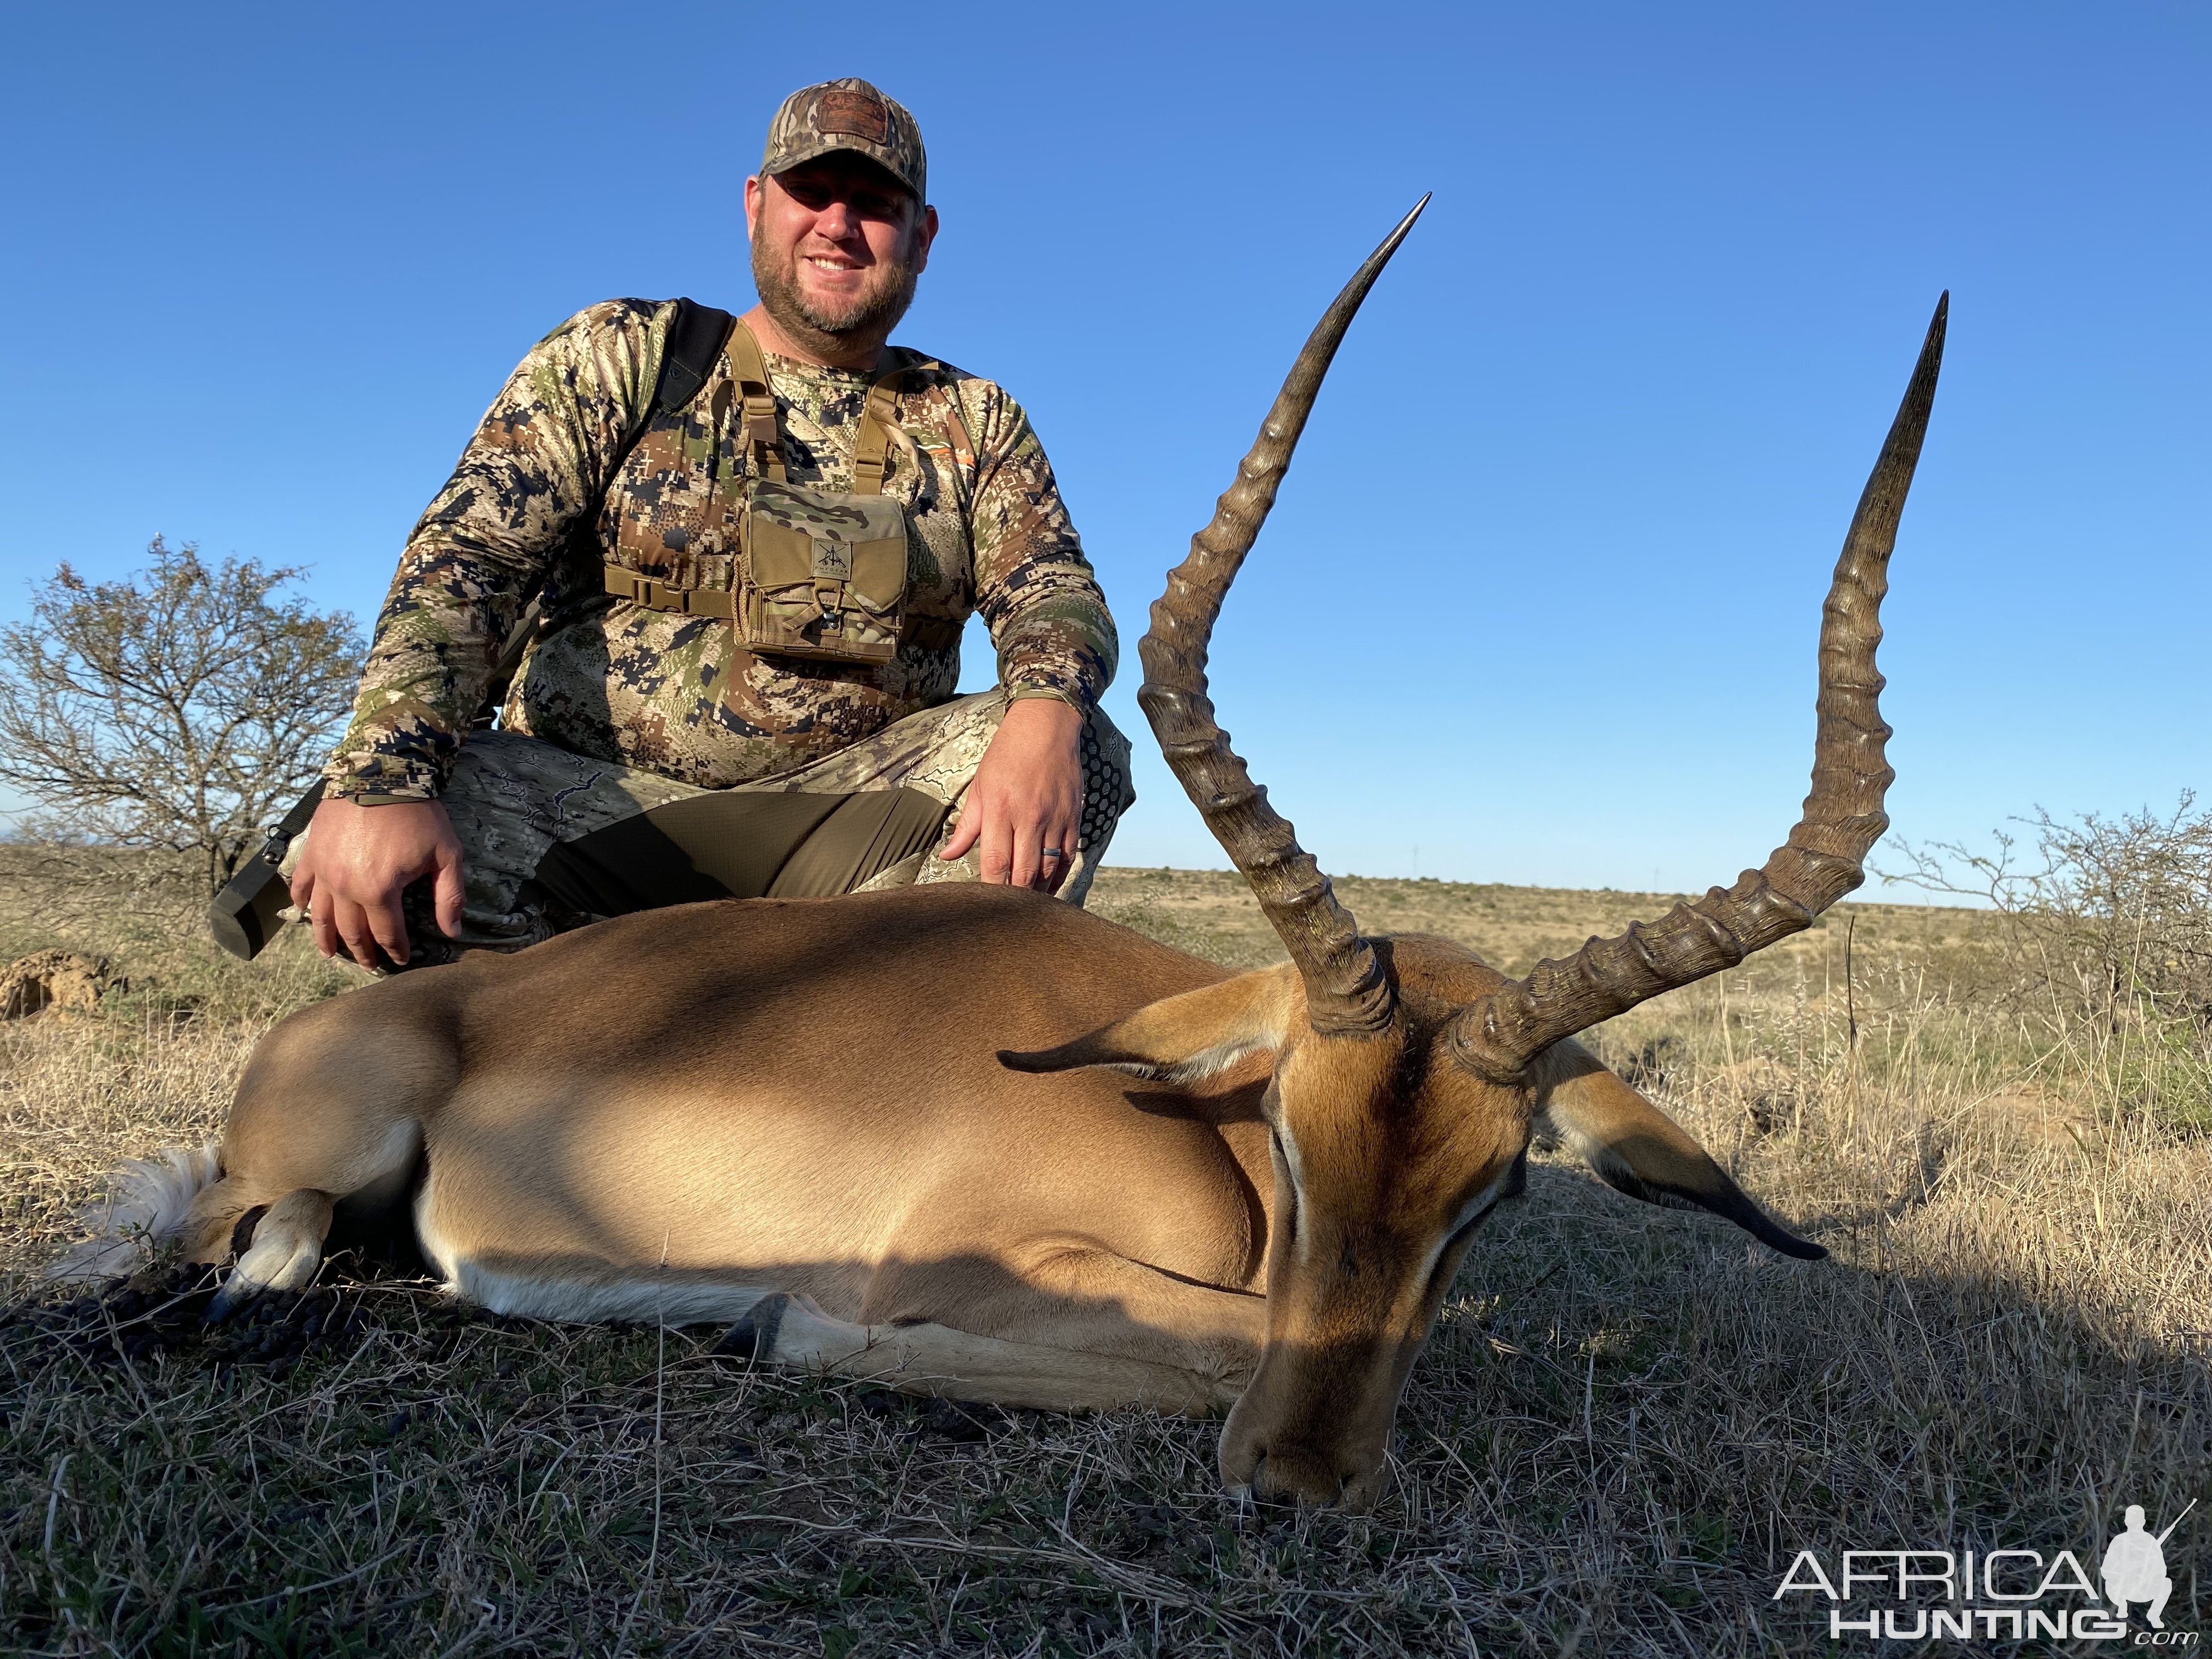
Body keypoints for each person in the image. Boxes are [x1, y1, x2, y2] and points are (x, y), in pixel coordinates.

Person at [289, 78, 1130, 972]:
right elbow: (471, 555)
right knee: (402, 796)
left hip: (848, 844)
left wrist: (1046, 713)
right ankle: (531, 1056)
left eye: (876, 204)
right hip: (589, 816)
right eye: (811, 192)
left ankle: (876, 1052)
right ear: (756, 204)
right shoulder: (622, 351)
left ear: (920, 236)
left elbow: (1057, 595)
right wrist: (383, 780)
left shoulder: (974, 416)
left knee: (1085, 750)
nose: (838, 225)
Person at [2102, 1504, 2175, 1627]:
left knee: (2167, 1583)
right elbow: (2106, 1571)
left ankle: (2154, 1615)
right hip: (2123, 1589)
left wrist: (2148, 1571)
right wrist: (2125, 1572)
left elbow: (2162, 1570)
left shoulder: (2150, 1541)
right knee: (2110, 1584)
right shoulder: (2119, 1541)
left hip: (2144, 1589)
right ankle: (2121, 1607)